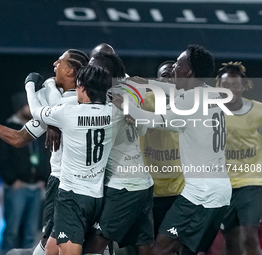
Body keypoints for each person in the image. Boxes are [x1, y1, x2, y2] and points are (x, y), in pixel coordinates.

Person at [112, 45, 232, 255]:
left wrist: (124, 104)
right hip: (220, 190)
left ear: (188, 72)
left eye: (178, 63)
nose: (174, 66)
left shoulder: (188, 102)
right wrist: (149, 83)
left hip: (201, 194)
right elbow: (175, 89)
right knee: (186, 251)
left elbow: (150, 119)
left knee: (160, 249)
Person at [0, 49, 89, 255]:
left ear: (72, 71)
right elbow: (20, 137)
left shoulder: (61, 107)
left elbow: (21, 136)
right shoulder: (95, 104)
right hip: (90, 185)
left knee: (54, 244)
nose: (55, 64)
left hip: (67, 184)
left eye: (60, 62)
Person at [25, 64, 124, 255]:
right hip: (96, 196)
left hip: (71, 197)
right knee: (50, 250)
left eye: (78, 86)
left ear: (84, 89)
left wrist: (30, 85)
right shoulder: (115, 113)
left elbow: (37, 111)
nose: (76, 90)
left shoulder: (68, 114)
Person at [83, 51, 155, 255]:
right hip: (142, 182)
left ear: (104, 72)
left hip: (123, 184)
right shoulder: (127, 95)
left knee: (97, 241)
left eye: (92, 66)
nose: (88, 70)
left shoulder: (107, 103)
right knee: (143, 243)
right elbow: (142, 129)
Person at [0, 91, 51, 251]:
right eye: (28, 105)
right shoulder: (6, 129)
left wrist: (43, 179)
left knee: (31, 233)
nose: (32, 109)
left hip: (36, 188)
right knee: (12, 231)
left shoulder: (37, 129)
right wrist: (11, 180)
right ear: (19, 107)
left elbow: (45, 155)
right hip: (17, 188)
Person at [215, 61, 262, 255]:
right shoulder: (212, 113)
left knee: (249, 236)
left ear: (243, 86)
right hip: (224, 186)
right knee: (231, 240)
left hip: (251, 184)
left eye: (235, 85)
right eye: (226, 85)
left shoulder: (258, 111)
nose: (231, 89)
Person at [139, 60, 184, 238]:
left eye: (174, 76)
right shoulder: (143, 101)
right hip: (151, 190)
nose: (169, 80)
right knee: (150, 244)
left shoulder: (188, 104)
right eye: (165, 76)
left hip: (180, 190)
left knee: (173, 244)